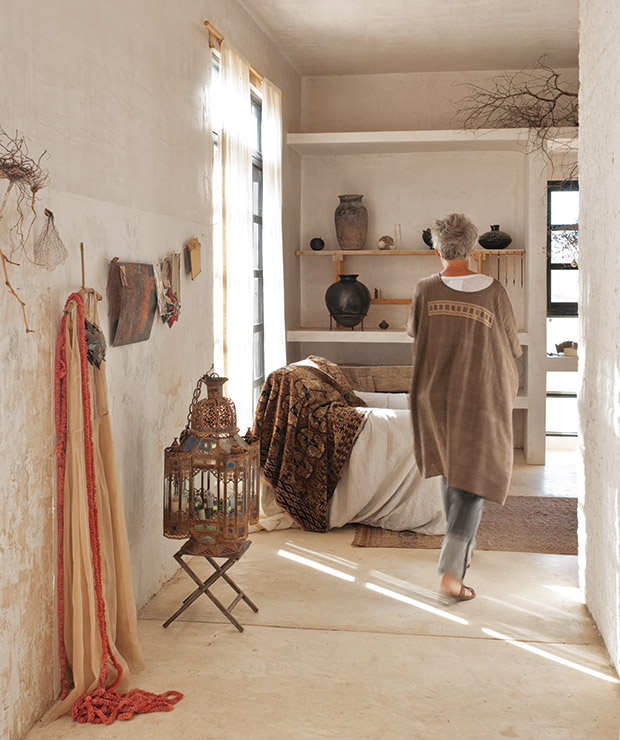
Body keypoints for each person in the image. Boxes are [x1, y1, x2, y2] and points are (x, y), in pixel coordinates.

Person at [406, 213, 522, 602]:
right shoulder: (494, 291)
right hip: (479, 397)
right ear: (472, 249)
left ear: (436, 249)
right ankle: (451, 575)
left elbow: (417, 334)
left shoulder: (424, 289)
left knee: (455, 478)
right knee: (471, 484)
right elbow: (511, 347)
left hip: (434, 396)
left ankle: (458, 569)